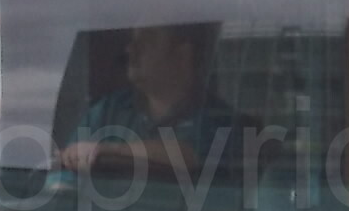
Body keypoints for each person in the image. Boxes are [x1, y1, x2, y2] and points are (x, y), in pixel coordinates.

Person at [55, 23, 246, 184]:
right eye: (133, 39)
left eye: (147, 40)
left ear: (182, 55)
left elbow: (189, 155)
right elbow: (66, 169)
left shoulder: (218, 119)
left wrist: (108, 150)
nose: (131, 48)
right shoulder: (110, 109)